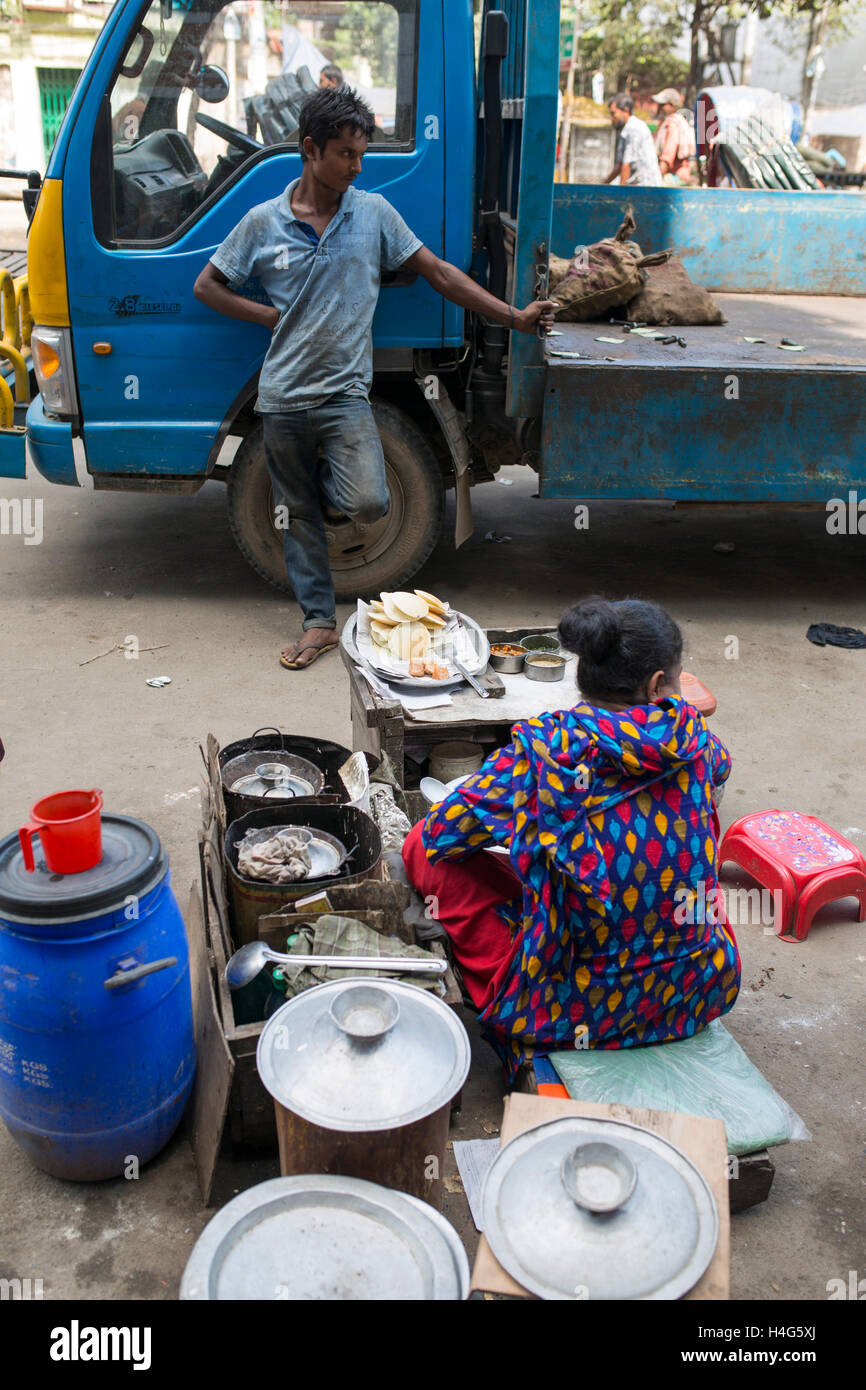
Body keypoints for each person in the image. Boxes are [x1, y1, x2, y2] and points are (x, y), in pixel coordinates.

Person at [194, 87, 556, 670]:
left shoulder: (373, 214)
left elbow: (438, 272)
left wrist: (512, 317)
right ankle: (318, 624)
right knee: (299, 517)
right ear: (311, 150)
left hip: (344, 397)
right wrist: (266, 314)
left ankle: (315, 497)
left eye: (361, 154)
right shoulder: (263, 223)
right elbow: (207, 285)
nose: (357, 167)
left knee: (368, 500)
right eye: (345, 154)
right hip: (282, 397)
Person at [402, 597, 740, 1081]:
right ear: (655, 685)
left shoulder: (547, 750)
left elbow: (441, 836)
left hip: (565, 1009)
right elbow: (710, 769)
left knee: (421, 848)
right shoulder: (698, 743)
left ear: (582, 675)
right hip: (692, 991)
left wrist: (526, 833)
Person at [605, 93, 662, 186]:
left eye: (613, 113)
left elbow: (626, 165)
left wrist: (620, 193)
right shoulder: (626, 130)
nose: (611, 118)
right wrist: (602, 185)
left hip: (647, 187)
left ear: (626, 110)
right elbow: (619, 166)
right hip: (636, 185)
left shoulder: (634, 129)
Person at [652, 87, 696, 184]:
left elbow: (668, 156)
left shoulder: (673, 123)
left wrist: (655, 180)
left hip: (675, 176)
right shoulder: (669, 122)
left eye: (662, 105)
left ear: (672, 105)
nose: (659, 108)